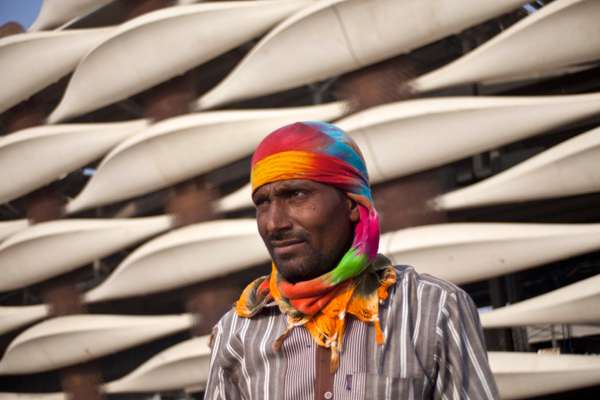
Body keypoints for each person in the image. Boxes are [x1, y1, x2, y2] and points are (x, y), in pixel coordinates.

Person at [204, 121, 499, 400]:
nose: (273, 223)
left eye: (295, 194)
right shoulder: (237, 332)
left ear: (353, 204)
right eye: (263, 203)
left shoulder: (432, 308)